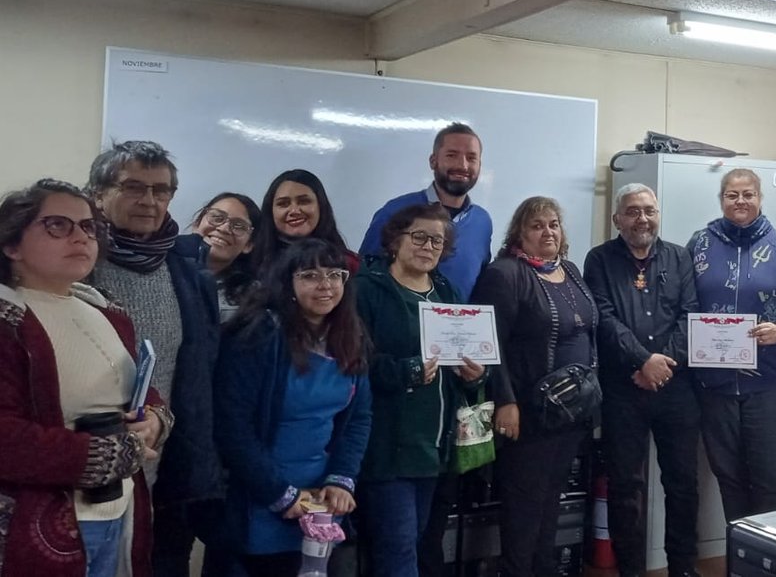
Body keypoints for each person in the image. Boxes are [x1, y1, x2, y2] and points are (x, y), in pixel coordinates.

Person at [0, 179, 172, 577]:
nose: (80, 237)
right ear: (11, 245)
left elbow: (136, 388)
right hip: (35, 525)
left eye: (89, 226)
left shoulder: (105, 310)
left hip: (119, 510)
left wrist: (154, 419)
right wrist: (110, 455)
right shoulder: (8, 320)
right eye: (57, 225)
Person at [85, 140, 223, 577]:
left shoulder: (189, 273)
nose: (149, 200)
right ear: (98, 194)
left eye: (161, 190)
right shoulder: (77, 264)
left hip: (168, 471)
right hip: (88, 472)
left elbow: (199, 376)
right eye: (133, 187)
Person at [214, 238, 372, 577]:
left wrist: (342, 480)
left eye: (335, 275)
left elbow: (359, 418)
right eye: (310, 275)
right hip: (260, 495)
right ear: (287, 284)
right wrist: (280, 495)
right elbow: (233, 427)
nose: (325, 285)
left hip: (320, 499)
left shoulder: (349, 335)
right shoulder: (257, 335)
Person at [354, 204, 486, 577]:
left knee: (414, 543)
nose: (428, 246)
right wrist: (406, 371)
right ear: (395, 240)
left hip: (436, 450)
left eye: (437, 241)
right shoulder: (366, 289)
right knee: (398, 552)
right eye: (419, 237)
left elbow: (468, 358)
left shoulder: (447, 292)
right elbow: (354, 362)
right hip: (387, 449)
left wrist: (475, 376)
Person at [688, 168, 776, 522]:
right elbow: (683, 305)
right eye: (732, 195)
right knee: (729, 477)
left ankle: (770, 552)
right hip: (715, 385)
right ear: (721, 199)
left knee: (771, 480)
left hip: (771, 383)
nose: (741, 201)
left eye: (748, 194)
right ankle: (739, 550)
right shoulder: (700, 243)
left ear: (760, 198)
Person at [474, 197, 598, 577]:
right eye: (537, 225)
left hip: (571, 414)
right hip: (528, 414)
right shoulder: (505, 274)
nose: (548, 232)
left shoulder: (570, 270)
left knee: (551, 504)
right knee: (524, 509)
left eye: (553, 224)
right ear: (519, 233)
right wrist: (505, 401)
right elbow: (489, 344)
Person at [584, 184, 701, 577]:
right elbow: (603, 317)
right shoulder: (599, 259)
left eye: (649, 210)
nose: (642, 219)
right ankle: (631, 570)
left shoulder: (680, 257)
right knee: (625, 487)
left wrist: (662, 365)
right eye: (633, 211)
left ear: (658, 215)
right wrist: (641, 360)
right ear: (617, 219)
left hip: (676, 387)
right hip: (623, 389)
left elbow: (689, 314)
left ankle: (682, 567)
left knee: (683, 484)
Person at [361, 122, 494, 302]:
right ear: (433, 161)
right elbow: (366, 271)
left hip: (459, 319)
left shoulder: (482, 222)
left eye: (471, 158)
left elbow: (480, 283)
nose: (462, 165)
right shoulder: (395, 210)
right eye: (452, 155)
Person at [251, 169, 360, 276]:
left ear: (321, 206)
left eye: (304, 201)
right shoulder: (251, 263)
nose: (294, 211)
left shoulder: (350, 264)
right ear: (270, 211)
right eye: (283, 204)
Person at [178, 192, 262, 323]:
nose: (224, 228)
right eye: (217, 217)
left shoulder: (252, 298)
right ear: (197, 223)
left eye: (238, 226)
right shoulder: (162, 266)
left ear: (249, 245)